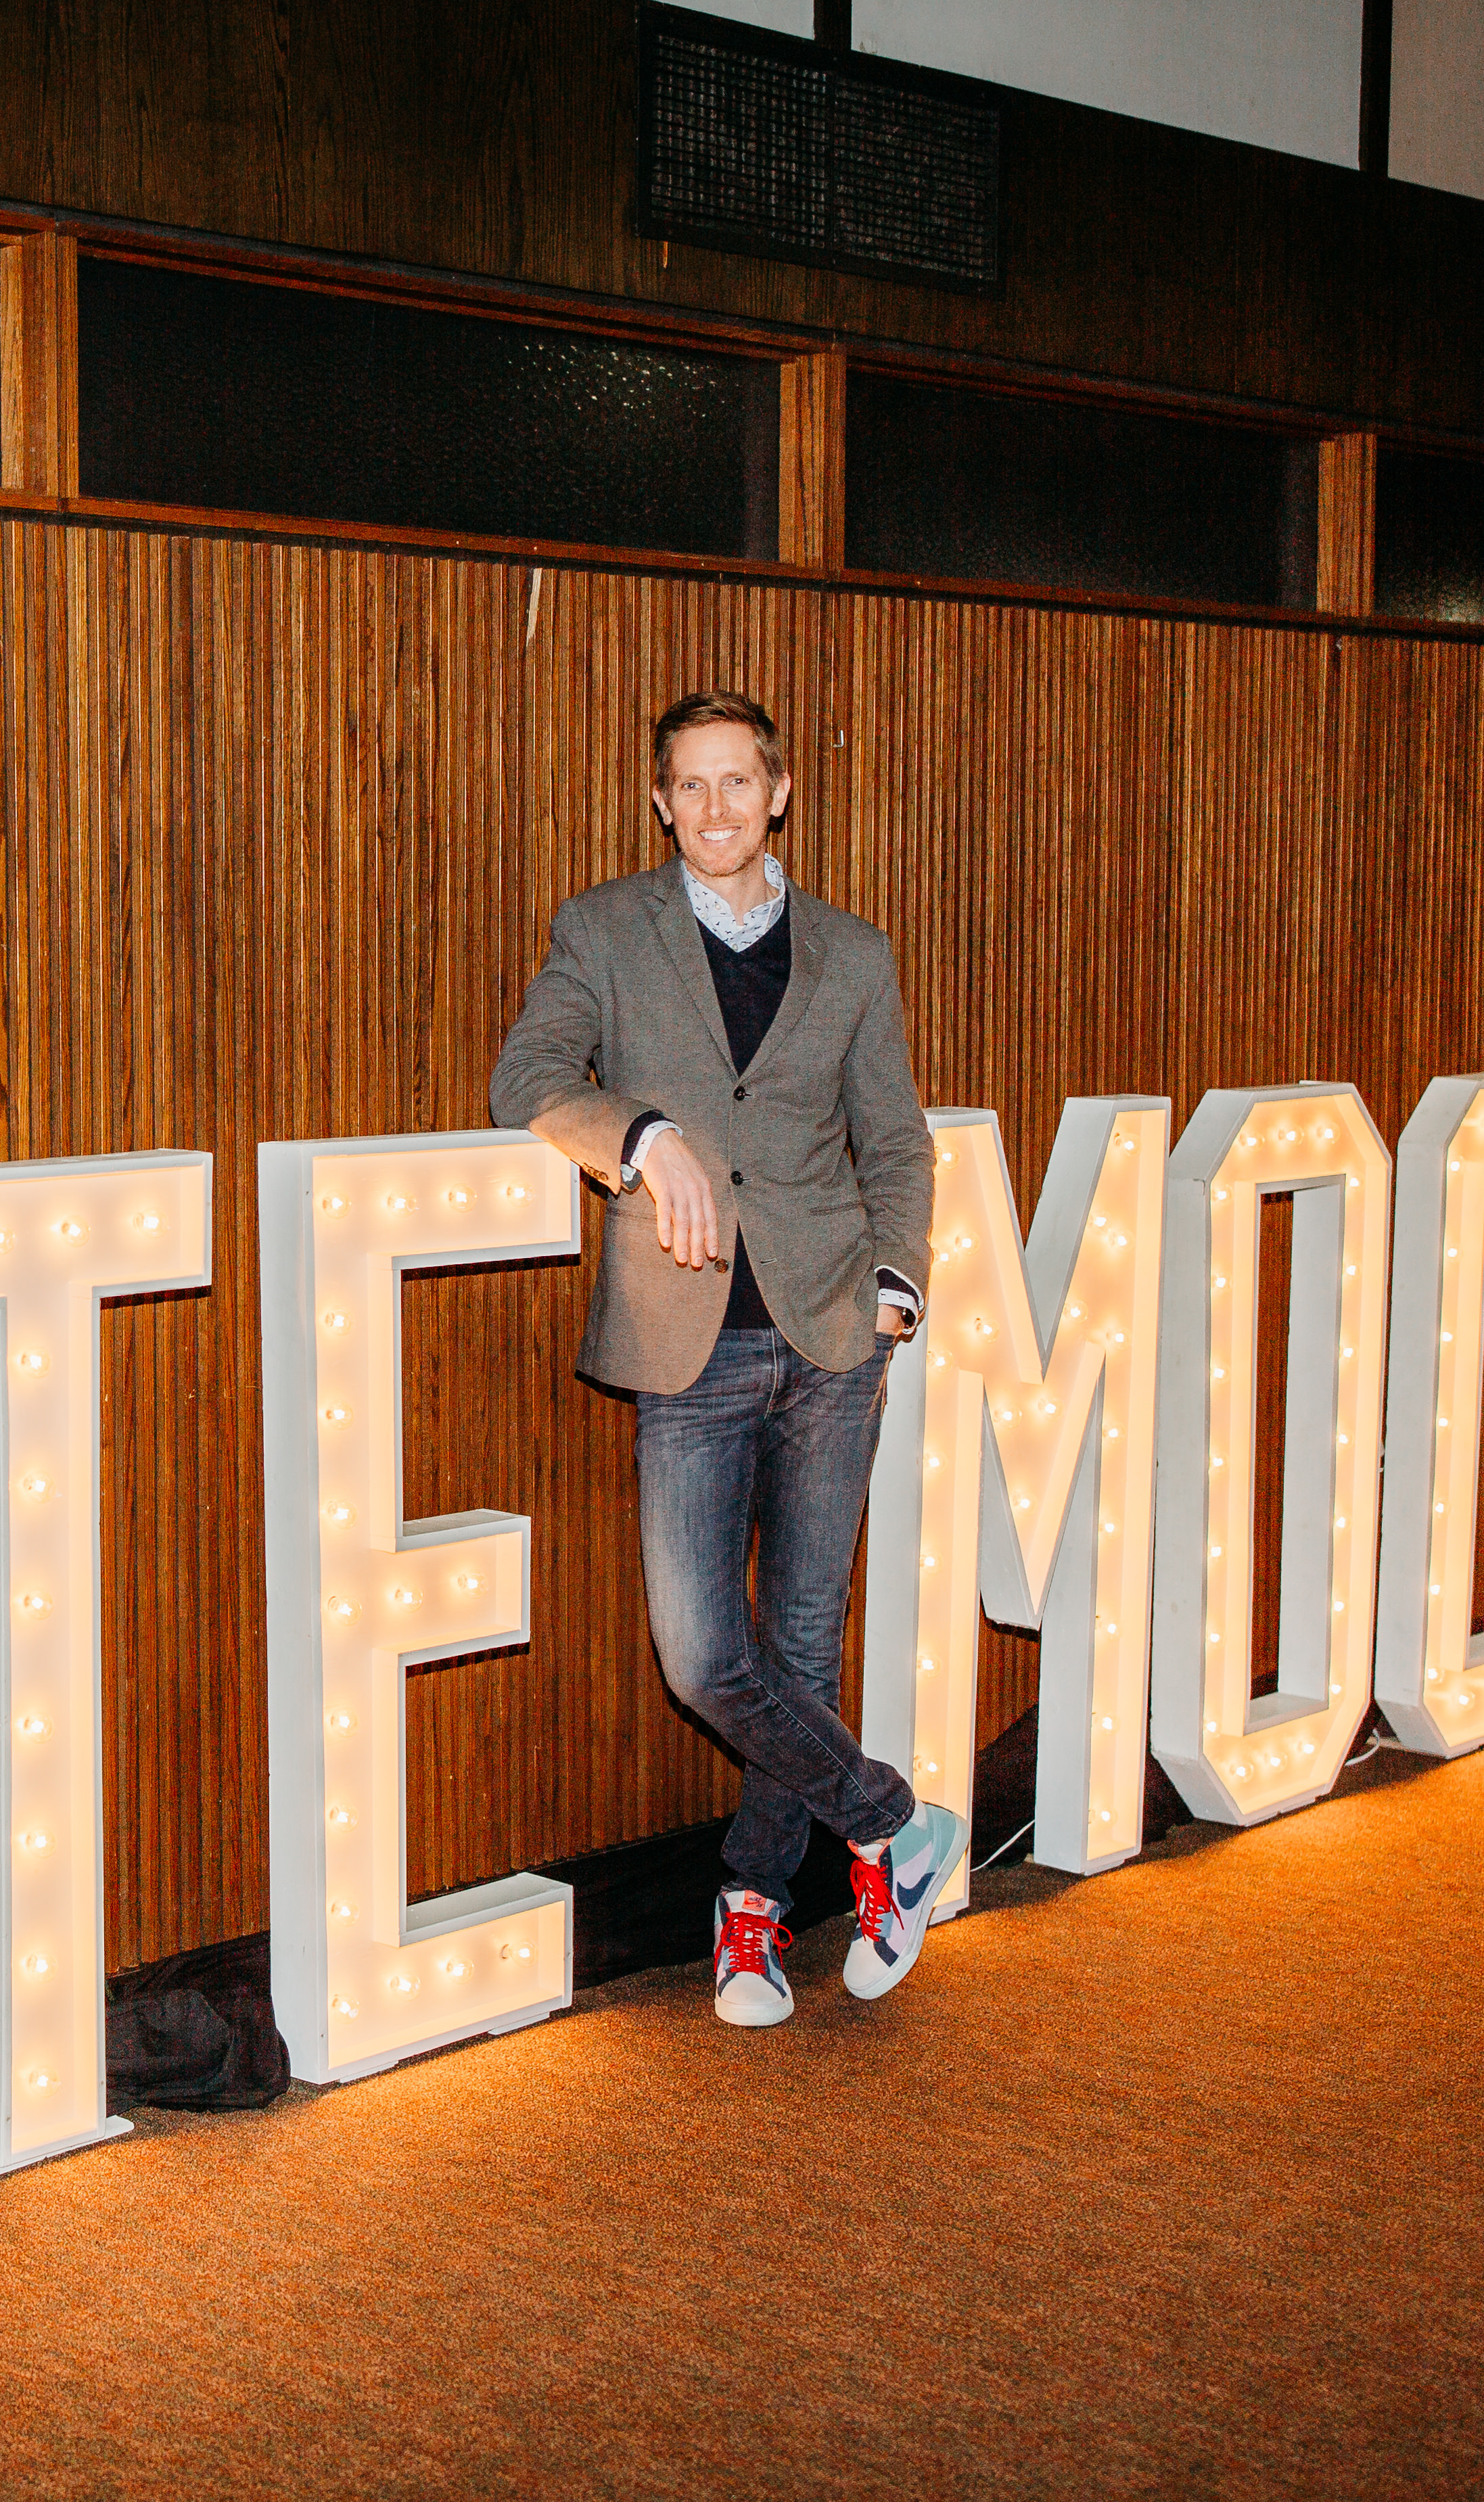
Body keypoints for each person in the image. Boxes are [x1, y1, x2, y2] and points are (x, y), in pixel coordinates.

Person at [487, 689, 960, 2025]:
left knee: (803, 1646)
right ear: (658, 802)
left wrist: (892, 1280)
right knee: (703, 1653)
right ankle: (892, 1826)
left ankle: (750, 1905)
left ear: (779, 792)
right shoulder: (601, 929)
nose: (711, 808)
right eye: (686, 786)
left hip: (828, 1332)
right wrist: (640, 1136)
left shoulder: (853, 955)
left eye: (734, 782)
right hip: (684, 1336)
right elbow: (525, 1075)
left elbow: (897, 1140)